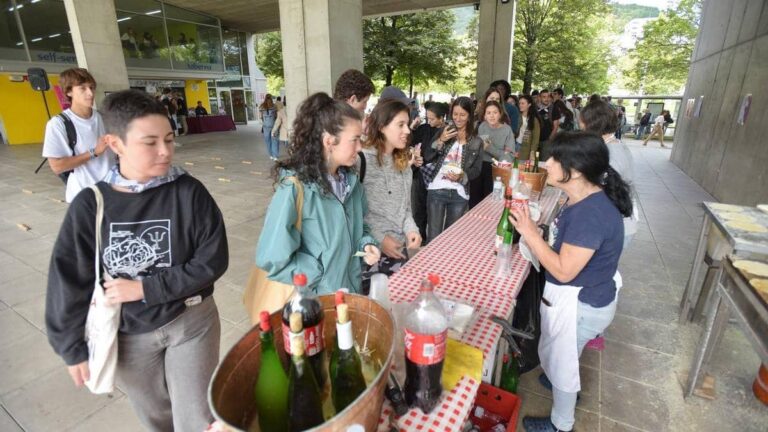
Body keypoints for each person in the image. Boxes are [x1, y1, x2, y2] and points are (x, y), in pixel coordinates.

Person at [46, 89, 229, 432]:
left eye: (170, 139)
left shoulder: (189, 192)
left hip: (191, 321)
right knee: (155, 418)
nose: (165, 151)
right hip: (129, 334)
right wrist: (70, 346)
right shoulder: (92, 205)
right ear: (115, 144)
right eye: (150, 142)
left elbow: (212, 260)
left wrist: (145, 288)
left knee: (197, 418)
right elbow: (68, 277)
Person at [509, 132, 632, 432]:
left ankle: (561, 424)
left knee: (564, 366)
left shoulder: (591, 213)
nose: (546, 164)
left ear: (575, 170)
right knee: (563, 356)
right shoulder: (583, 197)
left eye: (554, 159)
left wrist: (529, 232)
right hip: (590, 296)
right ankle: (557, 379)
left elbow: (564, 271)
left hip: (581, 304)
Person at [255, 93, 381, 295]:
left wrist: (366, 245)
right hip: (318, 304)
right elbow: (271, 257)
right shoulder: (294, 188)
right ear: (329, 141)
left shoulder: (351, 183)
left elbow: (360, 227)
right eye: (355, 140)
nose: (360, 148)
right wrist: (318, 273)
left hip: (351, 294)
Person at [359, 99, 422, 290]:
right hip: (370, 256)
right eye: (400, 125)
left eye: (407, 124)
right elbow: (352, 215)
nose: (408, 131)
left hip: (400, 254)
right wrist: (379, 239)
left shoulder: (404, 165)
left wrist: (412, 230)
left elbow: (406, 210)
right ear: (382, 126)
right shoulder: (361, 162)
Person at [42, 68, 113, 203]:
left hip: (111, 191)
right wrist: (94, 152)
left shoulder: (104, 118)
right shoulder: (58, 124)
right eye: (82, 88)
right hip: (85, 197)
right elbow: (57, 166)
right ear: (69, 92)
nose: (90, 93)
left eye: (91, 87)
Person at [579, 101, 638, 248]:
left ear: (593, 124)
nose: (580, 127)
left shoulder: (613, 153)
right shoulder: (608, 146)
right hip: (611, 222)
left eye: (582, 123)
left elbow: (607, 191)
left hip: (615, 226)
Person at [424, 97, 483, 241]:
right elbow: (428, 156)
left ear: (469, 116)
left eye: (462, 115)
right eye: (455, 114)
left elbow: (477, 169)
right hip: (437, 188)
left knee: (451, 238)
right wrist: (441, 141)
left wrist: (462, 176)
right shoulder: (445, 131)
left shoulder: (476, 141)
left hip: (459, 193)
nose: (458, 118)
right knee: (433, 236)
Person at [411, 102, 448, 243]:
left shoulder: (447, 131)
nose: (429, 121)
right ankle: (419, 240)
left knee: (434, 213)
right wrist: (412, 128)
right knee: (418, 211)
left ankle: (433, 243)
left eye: (432, 119)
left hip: (436, 177)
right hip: (419, 174)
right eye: (428, 118)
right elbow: (411, 143)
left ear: (441, 118)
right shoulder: (423, 128)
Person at [473, 101, 514, 207]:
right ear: (485, 115)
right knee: (475, 203)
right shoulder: (482, 126)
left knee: (491, 203)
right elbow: (481, 149)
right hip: (479, 167)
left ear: (500, 114)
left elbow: (508, 156)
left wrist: (490, 148)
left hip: (497, 170)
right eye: (488, 113)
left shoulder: (507, 130)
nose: (492, 116)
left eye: (495, 112)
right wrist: (501, 152)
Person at [516, 95, 541, 161]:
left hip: (526, 148)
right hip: (515, 145)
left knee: (521, 167)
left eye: (523, 103)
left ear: (529, 105)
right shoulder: (517, 116)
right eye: (519, 103)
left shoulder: (534, 120)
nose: (520, 105)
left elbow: (535, 139)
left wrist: (532, 152)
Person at [259, 94, 279, 161]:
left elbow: (261, 117)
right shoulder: (274, 106)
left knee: (268, 141)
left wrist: (265, 121)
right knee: (274, 140)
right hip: (274, 126)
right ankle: (275, 156)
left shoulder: (262, 106)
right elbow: (276, 116)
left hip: (266, 127)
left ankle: (270, 155)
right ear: (271, 98)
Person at [538, 89, 554, 159]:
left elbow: (556, 125)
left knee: (544, 161)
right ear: (540, 98)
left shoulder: (553, 108)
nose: (546, 99)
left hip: (546, 140)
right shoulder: (535, 108)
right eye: (544, 97)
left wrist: (550, 138)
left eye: (548, 97)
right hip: (535, 139)